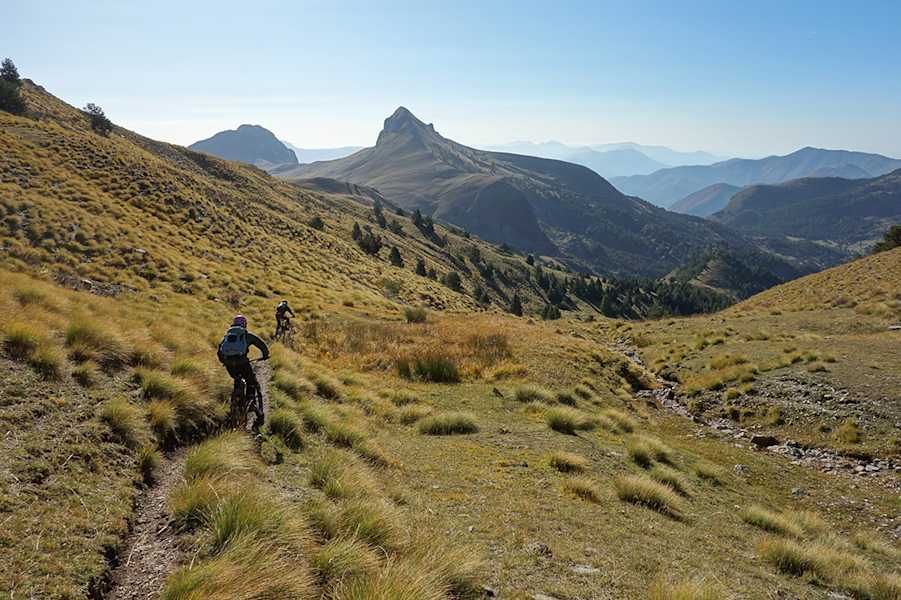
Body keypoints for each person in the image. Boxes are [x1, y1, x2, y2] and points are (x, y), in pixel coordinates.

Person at [217, 314, 269, 428]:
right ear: (245, 324)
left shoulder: (228, 335)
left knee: (237, 379)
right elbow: (261, 345)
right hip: (243, 363)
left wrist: (224, 361)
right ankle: (250, 402)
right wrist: (265, 355)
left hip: (230, 365)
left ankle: (235, 401)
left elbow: (219, 351)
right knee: (251, 381)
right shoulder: (247, 335)